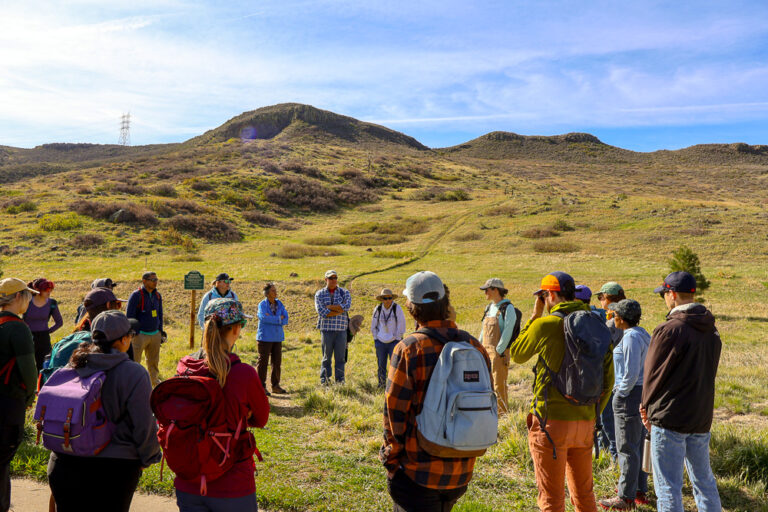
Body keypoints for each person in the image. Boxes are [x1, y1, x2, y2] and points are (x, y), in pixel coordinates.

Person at [381, 271, 491, 512]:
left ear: (412, 308)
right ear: (445, 302)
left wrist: (391, 460)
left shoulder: (409, 349)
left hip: (417, 474)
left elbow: (394, 414)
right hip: (461, 471)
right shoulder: (475, 346)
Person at [509, 271, 614, 512]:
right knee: (585, 495)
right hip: (586, 420)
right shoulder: (596, 324)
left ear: (551, 294)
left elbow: (517, 353)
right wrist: (593, 412)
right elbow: (610, 379)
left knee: (551, 498)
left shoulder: (546, 324)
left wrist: (534, 316)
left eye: (544, 295)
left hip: (551, 422)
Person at [46, 310, 161, 512]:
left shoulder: (74, 364)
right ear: (125, 339)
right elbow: (144, 425)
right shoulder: (133, 373)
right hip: (114, 469)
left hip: (64, 462)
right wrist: (149, 458)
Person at [174, 298, 269, 512]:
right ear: (235, 329)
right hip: (232, 483)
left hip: (188, 480)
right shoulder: (244, 373)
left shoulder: (185, 367)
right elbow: (261, 419)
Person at [640, 272, 722, 512]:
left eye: (664, 294)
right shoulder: (711, 330)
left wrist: (645, 406)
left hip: (669, 417)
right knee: (703, 480)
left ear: (672, 294)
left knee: (668, 486)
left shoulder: (669, 329)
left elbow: (653, 375)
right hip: (700, 416)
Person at [599, 300, 650, 510]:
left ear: (621, 318)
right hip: (642, 393)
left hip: (629, 395)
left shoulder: (630, 338)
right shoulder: (644, 334)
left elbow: (629, 374)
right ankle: (638, 490)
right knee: (636, 444)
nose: (611, 319)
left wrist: (619, 394)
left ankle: (625, 497)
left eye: (613, 316)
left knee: (625, 446)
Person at [0, 278, 38, 512]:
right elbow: (29, 370)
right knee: (2, 460)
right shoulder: (18, 327)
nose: (30, 299)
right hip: (8, 403)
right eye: (27, 295)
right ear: (17, 297)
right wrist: (29, 397)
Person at [478, 278, 519, 415]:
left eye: (487, 290)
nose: (485, 293)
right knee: (486, 384)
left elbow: (508, 331)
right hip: (485, 351)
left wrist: (499, 350)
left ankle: (501, 415)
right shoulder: (489, 308)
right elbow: (483, 331)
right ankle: (488, 412)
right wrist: (478, 347)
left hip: (499, 353)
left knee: (498, 385)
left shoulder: (508, 308)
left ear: (495, 290)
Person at [595, 281, 626, 461]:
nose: (600, 300)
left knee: (608, 420)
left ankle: (615, 459)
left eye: (601, 297)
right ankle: (606, 451)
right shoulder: (625, 315)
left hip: (612, 377)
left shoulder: (613, 321)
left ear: (610, 298)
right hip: (621, 376)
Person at [126, 271, 164, 387]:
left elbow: (160, 314)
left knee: (154, 362)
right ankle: (133, 385)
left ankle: (154, 382)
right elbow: (129, 316)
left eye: (156, 280)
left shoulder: (158, 295)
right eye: (153, 280)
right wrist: (134, 333)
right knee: (135, 362)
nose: (155, 282)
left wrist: (160, 331)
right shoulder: (136, 295)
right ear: (144, 281)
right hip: (140, 335)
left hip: (155, 334)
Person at [314, 270, 351, 385]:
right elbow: (321, 312)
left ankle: (340, 381)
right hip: (326, 330)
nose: (333, 280)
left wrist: (330, 307)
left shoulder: (344, 292)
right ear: (326, 280)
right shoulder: (319, 294)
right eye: (331, 278)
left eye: (335, 278)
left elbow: (346, 307)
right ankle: (325, 380)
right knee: (326, 357)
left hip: (341, 330)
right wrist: (338, 310)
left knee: (340, 358)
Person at [23, 278, 63, 370]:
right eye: (46, 290)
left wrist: (47, 331)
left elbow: (59, 322)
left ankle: (41, 383)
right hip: (27, 337)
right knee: (28, 365)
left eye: (50, 290)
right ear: (37, 290)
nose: (49, 293)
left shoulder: (52, 303)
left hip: (44, 339)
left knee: (44, 365)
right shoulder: (26, 302)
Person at [256, 283, 289, 396]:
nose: (276, 292)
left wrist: (274, 319)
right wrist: (278, 318)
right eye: (273, 291)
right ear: (267, 293)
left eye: (275, 290)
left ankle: (275, 386)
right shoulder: (262, 305)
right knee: (263, 362)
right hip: (265, 337)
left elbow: (286, 319)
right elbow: (263, 318)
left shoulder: (279, 304)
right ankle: (261, 386)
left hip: (277, 337)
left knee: (276, 362)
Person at [370, 288, 406, 389]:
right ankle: (381, 385)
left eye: (389, 298)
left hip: (394, 342)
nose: (387, 300)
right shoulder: (378, 309)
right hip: (380, 342)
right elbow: (373, 326)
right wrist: (376, 338)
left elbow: (402, 324)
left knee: (394, 365)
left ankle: (394, 386)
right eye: (385, 298)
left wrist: (397, 338)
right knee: (381, 365)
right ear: (382, 299)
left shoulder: (397, 308)